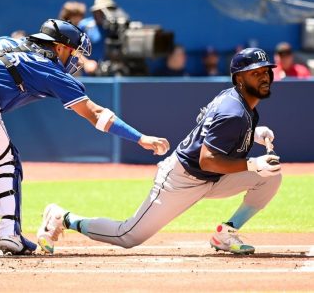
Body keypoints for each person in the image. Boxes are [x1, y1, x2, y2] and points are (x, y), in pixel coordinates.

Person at [0, 19, 169, 255]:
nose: (75, 58)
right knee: (6, 163)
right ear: (59, 47)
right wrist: (140, 138)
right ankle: (10, 235)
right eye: (74, 50)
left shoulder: (8, 41)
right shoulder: (50, 69)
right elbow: (95, 114)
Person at [37, 47, 282, 255]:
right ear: (239, 78)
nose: (264, 77)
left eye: (266, 71)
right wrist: (251, 164)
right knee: (128, 236)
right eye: (256, 73)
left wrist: (253, 132)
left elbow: (207, 122)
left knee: (270, 175)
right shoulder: (235, 111)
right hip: (182, 179)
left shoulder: (236, 100)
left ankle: (226, 234)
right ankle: (63, 217)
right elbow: (208, 161)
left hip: (213, 178)